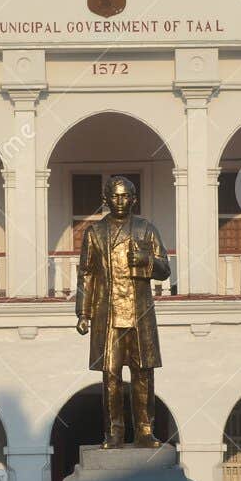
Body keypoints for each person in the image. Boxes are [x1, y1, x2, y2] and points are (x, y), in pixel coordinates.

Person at [75, 176, 171, 447]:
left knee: (143, 374)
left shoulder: (146, 229)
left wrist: (147, 260)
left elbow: (165, 270)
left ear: (134, 199)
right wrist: (83, 313)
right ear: (106, 199)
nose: (120, 201)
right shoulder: (95, 233)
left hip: (139, 313)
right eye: (115, 196)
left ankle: (144, 430)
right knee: (111, 376)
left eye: (126, 196)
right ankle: (114, 432)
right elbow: (87, 274)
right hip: (108, 314)